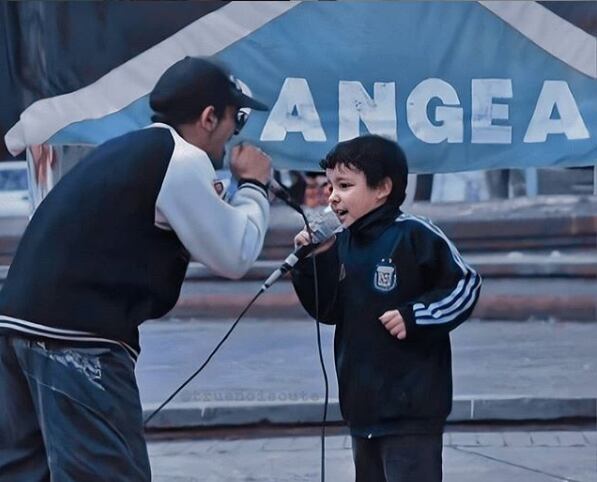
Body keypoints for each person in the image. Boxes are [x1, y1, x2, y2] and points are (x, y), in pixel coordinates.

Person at [0, 56, 272, 481]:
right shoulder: (180, 160)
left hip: (16, 325)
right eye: (235, 121)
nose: (232, 137)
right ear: (208, 117)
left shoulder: (132, 149)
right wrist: (253, 186)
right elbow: (235, 254)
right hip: (77, 339)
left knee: (24, 471)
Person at [291, 135, 482, 482]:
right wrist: (312, 263)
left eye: (345, 186)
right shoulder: (341, 242)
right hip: (362, 405)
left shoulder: (414, 235)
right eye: (331, 186)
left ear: (382, 188)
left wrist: (416, 316)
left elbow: (465, 284)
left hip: (411, 407)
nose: (332, 197)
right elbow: (328, 310)